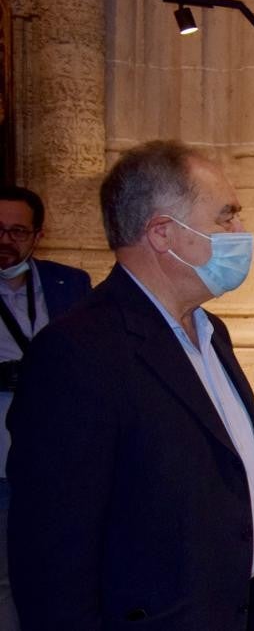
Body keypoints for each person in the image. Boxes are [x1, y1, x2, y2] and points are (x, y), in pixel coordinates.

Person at [5, 140, 254, 629]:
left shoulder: (211, 332)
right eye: (226, 218)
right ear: (163, 232)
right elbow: (52, 556)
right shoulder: (79, 351)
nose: (241, 232)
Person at [0, 186, 91, 629]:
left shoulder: (70, 284)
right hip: (0, 460)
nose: (6, 240)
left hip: (62, 460)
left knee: (63, 575)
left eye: (17, 231)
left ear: (38, 235)